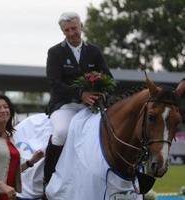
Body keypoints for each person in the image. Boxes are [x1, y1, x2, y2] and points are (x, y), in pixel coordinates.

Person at [44, 12, 113, 187]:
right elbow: (55, 84)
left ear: (81, 27)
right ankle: (48, 177)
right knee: (61, 133)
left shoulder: (94, 51)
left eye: (74, 28)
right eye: (66, 30)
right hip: (64, 106)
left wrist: (103, 93)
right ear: (63, 32)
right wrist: (80, 95)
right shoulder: (55, 52)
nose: (71, 33)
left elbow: (109, 79)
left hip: (90, 107)